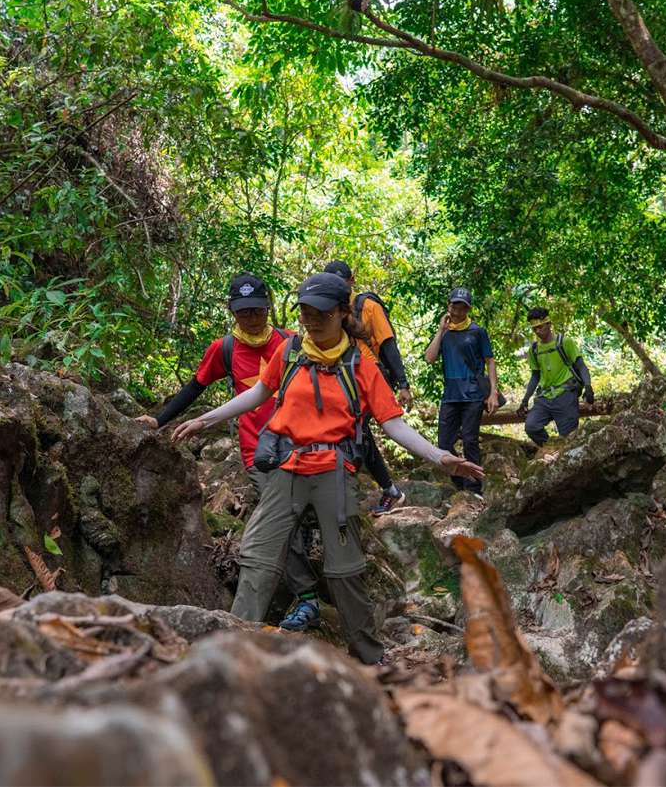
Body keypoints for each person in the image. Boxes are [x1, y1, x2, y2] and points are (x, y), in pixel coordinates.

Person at [171, 272, 483, 664]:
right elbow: (257, 394)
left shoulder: (361, 365)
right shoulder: (290, 353)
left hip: (334, 469)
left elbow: (393, 424)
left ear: (340, 312)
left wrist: (441, 457)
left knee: (344, 570)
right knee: (257, 555)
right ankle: (231, 652)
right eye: (304, 311)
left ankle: (370, 658)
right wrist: (206, 420)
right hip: (287, 465)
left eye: (319, 312)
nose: (310, 320)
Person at [132, 273, 319, 622]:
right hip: (257, 454)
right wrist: (159, 420)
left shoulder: (291, 343)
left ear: (269, 307)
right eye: (243, 312)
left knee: (296, 514)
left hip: (300, 448)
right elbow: (195, 386)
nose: (251, 318)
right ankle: (307, 597)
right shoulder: (225, 349)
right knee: (279, 519)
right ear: (231, 311)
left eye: (257, 311)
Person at [322, 259, 411, 514]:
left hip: (371, 375)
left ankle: (367, 490)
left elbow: (388, 345)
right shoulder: (326, 310)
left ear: (351, 282)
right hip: (344, 378)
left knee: (356, 428)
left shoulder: (367, 306)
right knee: (357, 430)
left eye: (342, 282)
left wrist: (403, 383)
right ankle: (389, 490)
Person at [424, 287, 498, 496]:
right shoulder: (444, 333)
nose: (458, 310)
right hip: (450, 395)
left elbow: (490, 361)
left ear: (468, 308)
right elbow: (429, 358)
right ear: (449, 306)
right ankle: (460, 481)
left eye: (462, 306)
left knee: (470, 439)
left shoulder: (477, 332)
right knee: (444, 443)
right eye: (455, 305)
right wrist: (440, 330)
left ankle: (474, 489)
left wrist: (493, 392)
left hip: (473, 394)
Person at [518, 307, 595, 446]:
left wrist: (588, 387)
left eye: (540, 327)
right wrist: (525, 400)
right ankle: (551, 449)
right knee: (531, 426)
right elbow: (535, 376)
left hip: (566, 396)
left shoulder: (565, 343)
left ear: (549, 324)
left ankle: (561, 455)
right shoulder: (534, 349)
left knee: (568, 440)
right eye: (534, 328)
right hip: (544, 397)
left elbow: (581, 366)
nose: (537, 331)